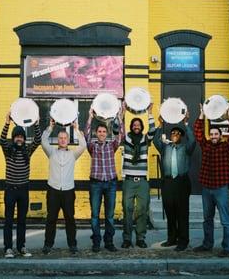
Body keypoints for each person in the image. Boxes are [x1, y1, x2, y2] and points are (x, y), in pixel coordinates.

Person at [193, 104, 229, 257]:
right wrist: (201, 115)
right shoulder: (205, 145)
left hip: (220, 188)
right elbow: (197, 131)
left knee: (225, 220)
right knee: (207, 219)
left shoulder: (226, 147)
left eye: (215, 134)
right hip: (206, 188)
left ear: (220, 136)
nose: (213, 136)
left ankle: (228, 248)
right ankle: (207, 244)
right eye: (211, 134)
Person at [41, 119, 86, 255]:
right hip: (53, 190)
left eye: (65, 138)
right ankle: (48, 244)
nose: (62, 140)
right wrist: (50, 127)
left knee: (70, 219)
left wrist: (76, 129)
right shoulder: (51, 152)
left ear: (68, 140)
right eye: (60, 138)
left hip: (68, 191)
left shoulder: (73, 154)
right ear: (57, 139)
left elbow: (83, 145)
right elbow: (43, 140)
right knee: (51, 219)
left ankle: (72, 245)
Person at [0, 112, 41, 258]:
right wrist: (7, 123)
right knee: (9, 221)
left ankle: (21, 246)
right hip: (10, 190)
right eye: (17, 136)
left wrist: (36, 125)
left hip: (24, 190)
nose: (19, 138)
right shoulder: (8, 151)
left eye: (21, 137)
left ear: (24, 139)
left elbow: (37, 140)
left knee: (22, 221)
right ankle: (8, 248)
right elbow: (2, 140)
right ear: (14, 138)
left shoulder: (27, 151)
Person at [153, 112, 196, 251]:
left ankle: (183, 240)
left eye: (178, 133)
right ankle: (172, 238)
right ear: (171, 136)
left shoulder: (186, 148)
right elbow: (155, 141)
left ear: (181, 136)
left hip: (182, 183)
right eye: (173, 133)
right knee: (170, 212)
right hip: (168, 183)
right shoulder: (165, 148)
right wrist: (160, 124)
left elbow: (193, 141)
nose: (175, 134)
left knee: (182, 213)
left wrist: (186, 124)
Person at [85, 105, 125, 252]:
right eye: (99, 131)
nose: (101, 134)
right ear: (97, 133)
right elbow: (85, 135)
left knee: (109, 215)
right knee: (95, 215)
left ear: (107, 133)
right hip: (95, 184)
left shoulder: (112, 145)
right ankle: (96, 241)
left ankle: (109, 242)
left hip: (111, 184)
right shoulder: (92, 146)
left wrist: (119, 117)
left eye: (104, 132)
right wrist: (90, 116)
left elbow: (121, 135)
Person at [121, 103, 155, 249]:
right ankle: (127, 238)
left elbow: (153, 130)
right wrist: (121, 113)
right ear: (131, 126)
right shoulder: (126, 139)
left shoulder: (145, 140)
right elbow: (117, 129)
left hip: (142, 181)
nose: (136, 126)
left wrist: (150, 113)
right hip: (128, 180)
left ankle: (140, 238)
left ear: (141, 127)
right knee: (127, 210)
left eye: (138, 124)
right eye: (134, 124)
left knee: (142, 210)